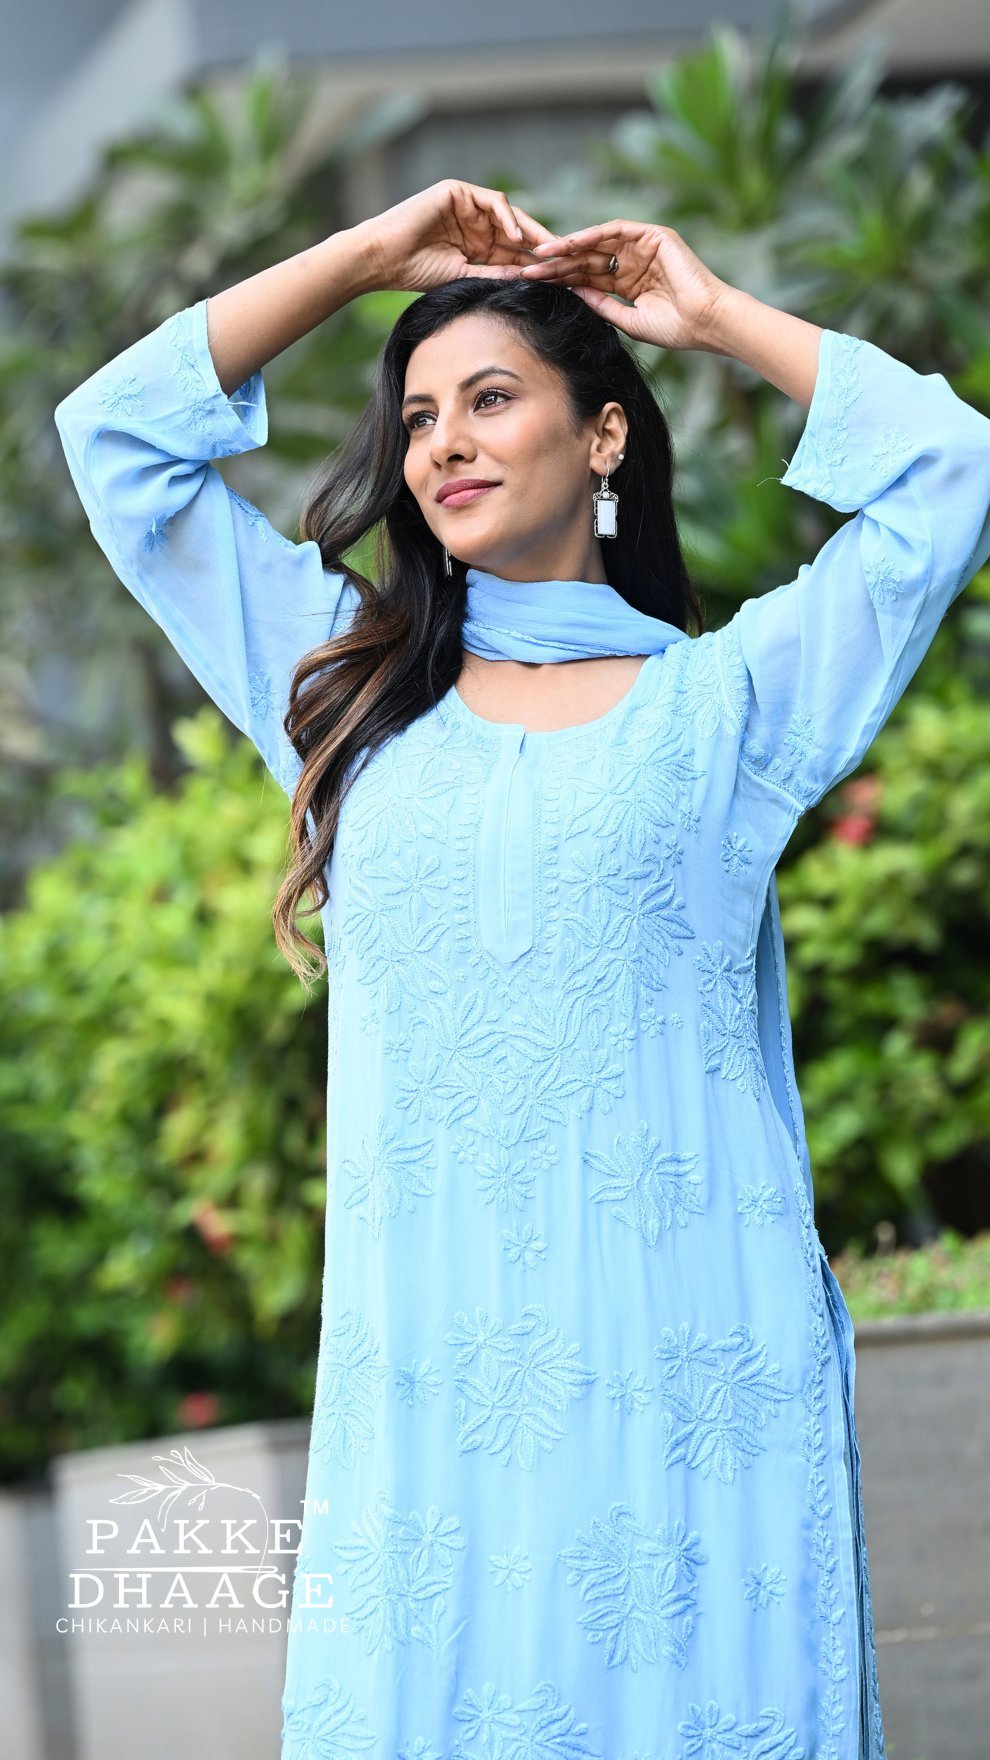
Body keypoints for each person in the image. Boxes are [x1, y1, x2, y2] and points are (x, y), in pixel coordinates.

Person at [54, 177, 990, 1760]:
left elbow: (948, 470)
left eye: (490, 400)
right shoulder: (349, 703)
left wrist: (712, 316)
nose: (443, 445)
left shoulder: (727, 709)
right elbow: (116, 442)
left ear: (603, 436)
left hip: (694, 1392)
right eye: (418, 418)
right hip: (436, 1421)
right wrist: (365, 258)